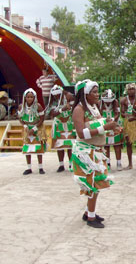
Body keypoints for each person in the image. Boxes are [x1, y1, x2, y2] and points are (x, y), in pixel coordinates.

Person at [71, 79, 120, 228]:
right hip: (86, 153)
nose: (97, 94)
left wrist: (112, 126)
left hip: (96, 151)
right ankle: (91, 218)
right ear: (85, 94)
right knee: (92, 185)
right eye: (94, 92)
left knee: (96, 183)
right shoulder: (79, 109)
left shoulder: (94, 107)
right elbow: (81, 133)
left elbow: (99, 125)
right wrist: (105, 127)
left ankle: (88, 212)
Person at [18, 88, 47, 175]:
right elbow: (20, 118)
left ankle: (40, 167)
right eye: (28, 97)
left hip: (37, 127)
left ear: (34, 97)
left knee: (38, 148)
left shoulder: (38, 106)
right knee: (27, 148)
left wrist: (34, 128)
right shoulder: (21, 107)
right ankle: (29, 168)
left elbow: (42, 118)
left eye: (31, 97)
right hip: (27, 128)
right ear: (25, 97)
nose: (29, 99)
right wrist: (25, 126)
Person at [48, 85, 76, 172]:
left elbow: (75, 108)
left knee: (70, 145)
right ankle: (61, 165)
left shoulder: (69, 96)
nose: (57, 97)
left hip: (69, 122)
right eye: (55, 95)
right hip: (59, 123)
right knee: (60, 145)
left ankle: (71, 164)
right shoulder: (52, 100)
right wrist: (62, 109)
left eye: (58, 95)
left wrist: (69, 116)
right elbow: (52, 113)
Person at [120, 83, 136, 171]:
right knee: (128, 143)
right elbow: (122, 113)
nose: (131, 91)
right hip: (128, 123)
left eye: (133, 89)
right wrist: (126, 115)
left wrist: (134, 118)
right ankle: (130, 164)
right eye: (129, 89)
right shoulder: (124, 100)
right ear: (127, 90)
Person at [100, 89, 123, 171]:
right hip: (105, 124)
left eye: (109, 101)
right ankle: (107, 163)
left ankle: (119, 163)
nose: (108, 103)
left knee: (117, 145)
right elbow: (99, 114)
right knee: (106, 145)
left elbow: (118, 113)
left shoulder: (115, 102)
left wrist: (113, 119)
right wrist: (104, 120)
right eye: (107, 102)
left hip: (115, 123)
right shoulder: (100, 103)